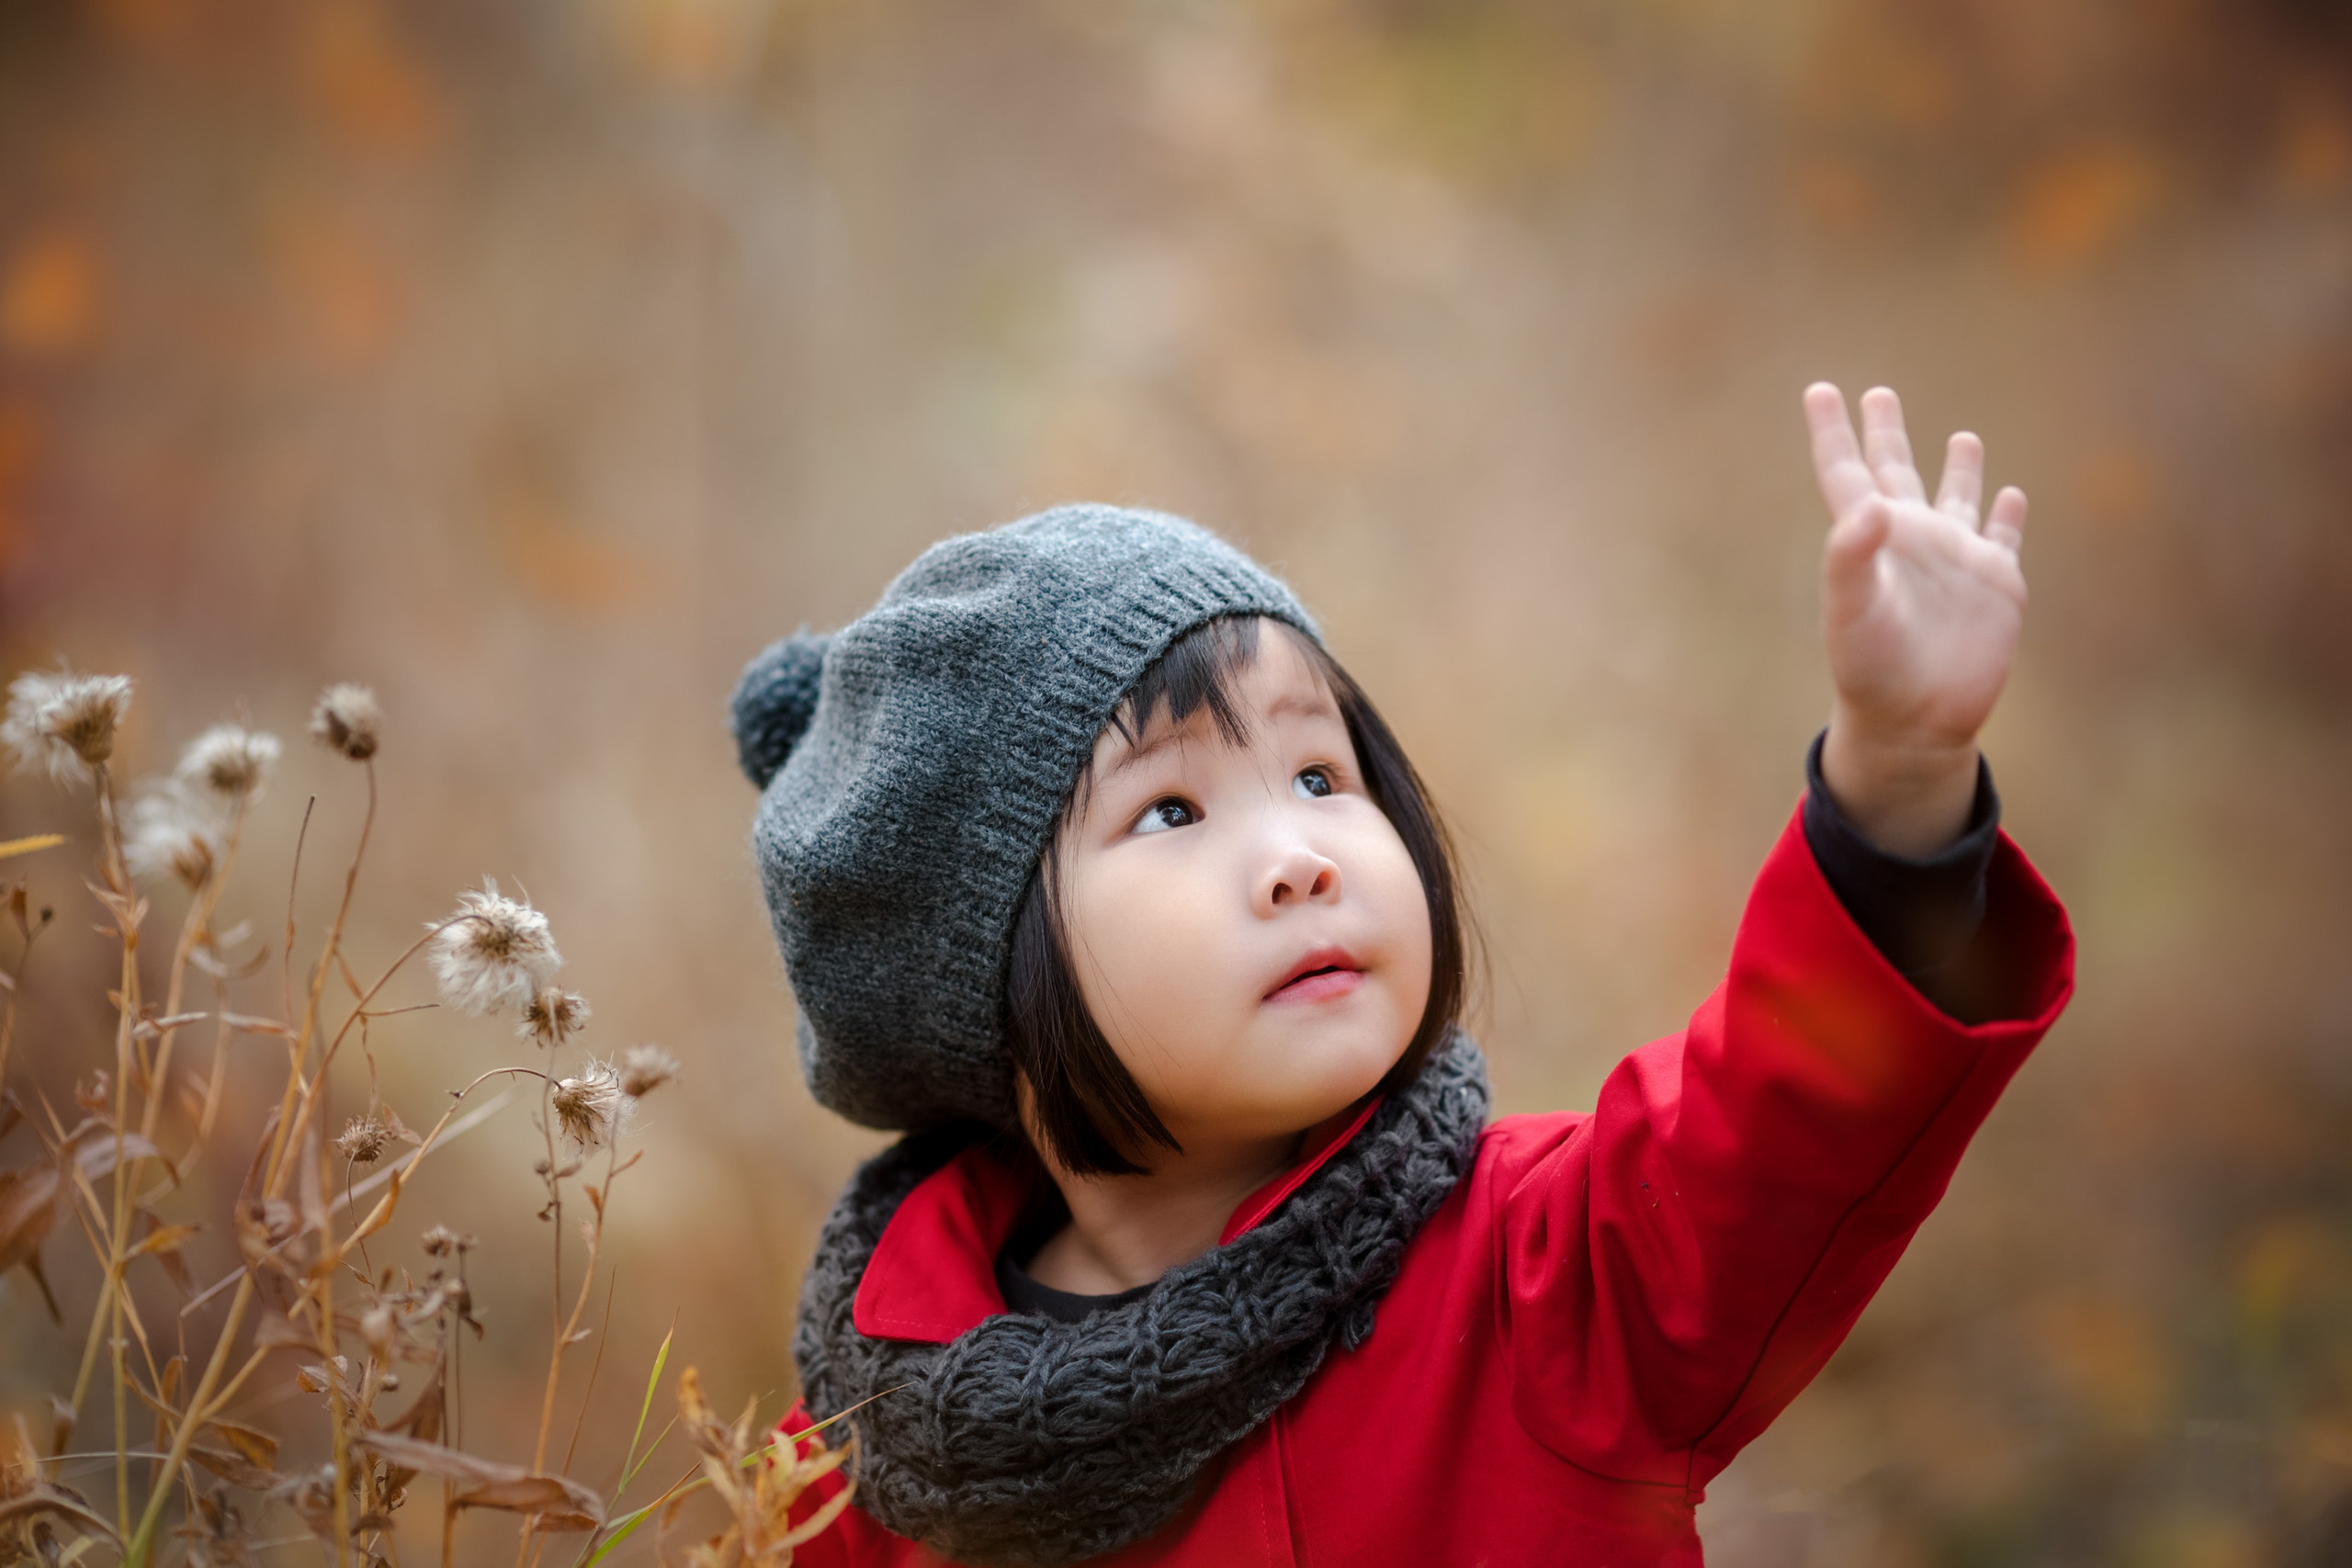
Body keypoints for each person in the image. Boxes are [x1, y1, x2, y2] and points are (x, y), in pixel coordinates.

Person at [727, 384, 2075, 1566]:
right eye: (1172, 813)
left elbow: (1791, 1120)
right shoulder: (863, 1469)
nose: (1300, 855)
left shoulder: (1553, 1276)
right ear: (974, 986)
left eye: (1320, 773)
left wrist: (1898, 774)